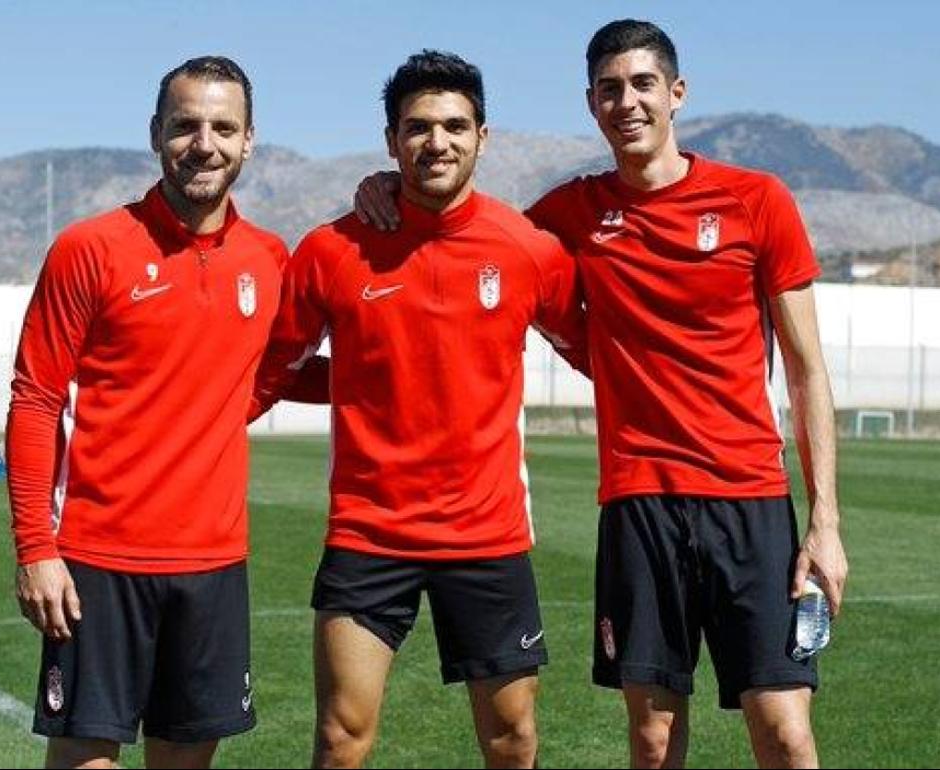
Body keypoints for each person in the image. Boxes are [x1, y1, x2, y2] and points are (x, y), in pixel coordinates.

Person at [354, 20, 848, 769]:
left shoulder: (758, 201)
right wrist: (389, 186)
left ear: (676, 93)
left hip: (749, 498)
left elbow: (809, 371)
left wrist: (826, 525)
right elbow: (474, 235)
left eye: (643, 84)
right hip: (638, 502)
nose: (628, 102)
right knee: (652, 739)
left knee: (784, 730)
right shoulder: (571, 215)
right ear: (591, 104)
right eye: (610, 89)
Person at [251, 50, 589, 769]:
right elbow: (267, 372)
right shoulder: (332, 250)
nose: (437, 142)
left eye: (455, 126)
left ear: (483, 137)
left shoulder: (528, 250)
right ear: (390, 140)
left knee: (513, 740)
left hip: (488, 535)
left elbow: (600, 355)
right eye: (418, 127)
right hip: (370, 533)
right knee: (341, 740)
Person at [6, 56, 287, 769]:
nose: (205, 143)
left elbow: (270, 373)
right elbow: (35, 398)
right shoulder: (90, 249)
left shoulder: (270, 259)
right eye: (186, 124)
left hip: (216, 562)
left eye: (224, 127)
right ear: (155, 133)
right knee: (85, 756)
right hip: (99, 559)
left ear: (249, 139)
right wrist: (37, 549)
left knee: (188, 759)